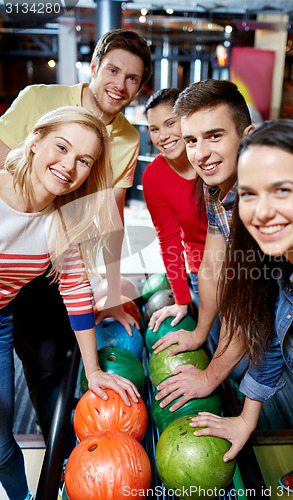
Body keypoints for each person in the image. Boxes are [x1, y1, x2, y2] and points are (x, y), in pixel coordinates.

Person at [0, 28, 152, 443]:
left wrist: (115, 291)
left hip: (57, 253)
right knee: (38, 355)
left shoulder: (128, 138)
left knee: (57, 355)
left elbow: (111, 215)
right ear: (94, 67)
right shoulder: (39, 100)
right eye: (113, 70)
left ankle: (68, 448)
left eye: (132, 78)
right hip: (16, 243)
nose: (120, 85)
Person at [0, 106, 140, 500]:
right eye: (61, 147)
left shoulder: (62, 220)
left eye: (83, 160)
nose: (68, 166)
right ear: (35, 140)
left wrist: (93, 372)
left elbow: (76, 292)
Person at [189, 119, 293, 494]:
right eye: (250, 194)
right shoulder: (280, 259)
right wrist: (246, 418)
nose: (262, 212)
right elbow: (269, 333)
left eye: (281, 190)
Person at [152, 79, 252, 412]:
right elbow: (211, 266)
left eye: (214, 136)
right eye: (191, 140)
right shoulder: (216, 189)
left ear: (247, 136)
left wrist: (209, 378)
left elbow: (245, 308)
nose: (201, 153)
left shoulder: (259, 200)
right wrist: (199, 332)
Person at [142, 88, 222, 344]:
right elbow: (169, 242)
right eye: (154, 129)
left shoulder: (211, 160)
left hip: (241, 265)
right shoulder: (154, 177)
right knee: (216, 346)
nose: (162, 136)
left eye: (169, 123)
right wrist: (181, 301)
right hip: (201, 270)